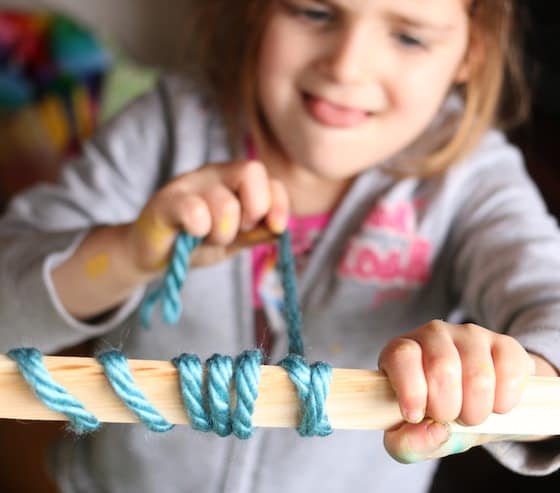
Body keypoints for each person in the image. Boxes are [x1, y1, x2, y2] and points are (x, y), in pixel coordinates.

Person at [0, 0, 559, 492]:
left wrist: (509, 379)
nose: (346, 66)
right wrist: (127, 252)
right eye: (313, 12)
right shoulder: (165, 130)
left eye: (409, 35)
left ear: (472, 52)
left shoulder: (472, 182)